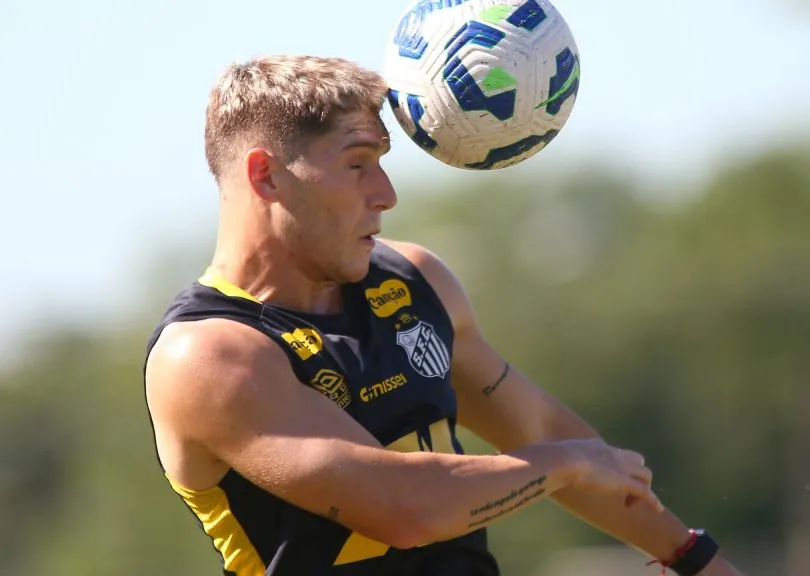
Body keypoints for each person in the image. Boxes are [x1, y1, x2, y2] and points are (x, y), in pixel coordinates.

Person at [143, 54, 746, 576]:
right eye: (356, 164)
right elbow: (404, 509)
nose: (385, 192)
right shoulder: (208, 355)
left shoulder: (413, 280)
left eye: (382, 160)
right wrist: (562, 466)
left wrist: (693, 557)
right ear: (266, 175)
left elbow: (540, 429)